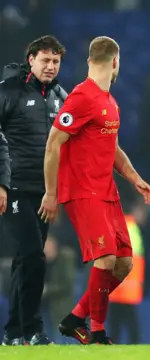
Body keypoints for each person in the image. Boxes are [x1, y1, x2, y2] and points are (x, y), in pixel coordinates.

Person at [38, 36, 150, 345]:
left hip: (108, 191)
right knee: (104, 259)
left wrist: (134, 178)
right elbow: (53, 143)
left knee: (125, 263)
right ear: (116, 62)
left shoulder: (109, 102)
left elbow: (112, 148)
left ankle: (75, 318)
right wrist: (51, 193)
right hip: (83, 191)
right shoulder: (81, 97)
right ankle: (98, 332)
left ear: (92, 61)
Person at [0, 35, 67, 346]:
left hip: (44, 194)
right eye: (45, 60)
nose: (50, 66)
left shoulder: (61, 97)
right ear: (31, 60)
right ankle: (34, 330)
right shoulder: (9, 91)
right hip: (13, 189)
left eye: (55, 61)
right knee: (34, 256)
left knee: (25, 261)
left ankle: (14, 333)